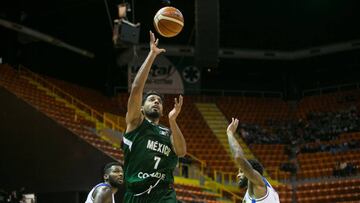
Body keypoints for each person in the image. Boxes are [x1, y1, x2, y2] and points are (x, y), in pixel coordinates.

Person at [122, 30, 187, 202]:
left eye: (159, 101)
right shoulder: (136, 123)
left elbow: (181, 152)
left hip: (163, 194)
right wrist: (151, 55)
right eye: (151, 100)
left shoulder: (168, 132)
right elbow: (136, 89)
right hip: (135, 193)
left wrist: (173, 121)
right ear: (141, 108)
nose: (156, 102)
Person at [227, 118, 280, 203]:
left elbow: (238, 157)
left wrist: (230, 133)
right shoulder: (254, 190)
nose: (238, 175)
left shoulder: (259, 184)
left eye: (241, 171)